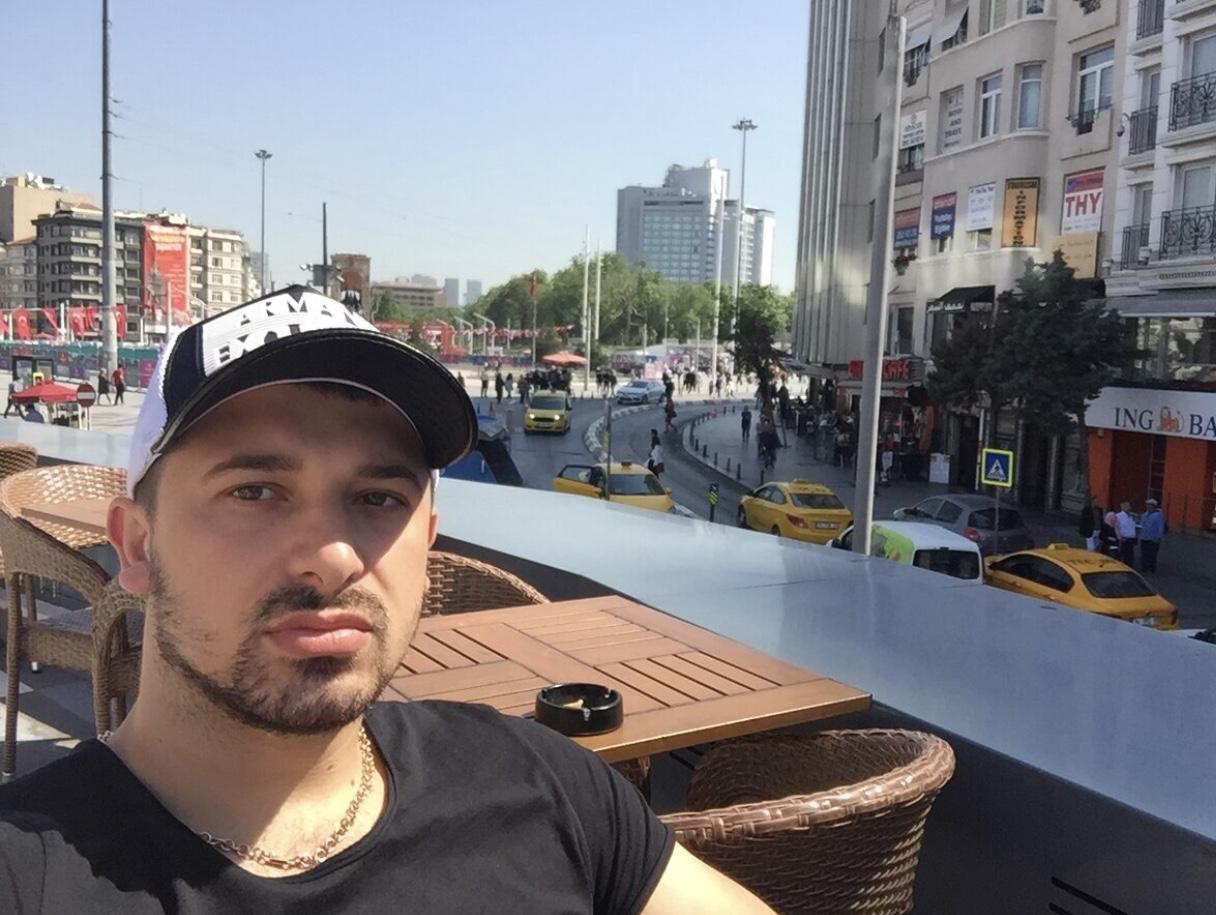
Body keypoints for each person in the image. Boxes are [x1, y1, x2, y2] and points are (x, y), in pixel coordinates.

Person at [0, 287, 770, 914]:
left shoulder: (545, 784)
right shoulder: (29, 869)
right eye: (255, 490)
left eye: (377, 497)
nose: (334, 556)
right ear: (137, 544)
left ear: (426, 541)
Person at [1139, 498, 1167, 574]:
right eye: (1147, 505)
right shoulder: (1144, 515)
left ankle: (1152, 568)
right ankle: (1144, 568)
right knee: (1144, 554)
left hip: (1153, 539)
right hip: (1144, 537)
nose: (1148, 506)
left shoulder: (1158, 515)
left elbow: (1160, 528)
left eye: (1149, 505)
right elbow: (1141, 524)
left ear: (1153, 506)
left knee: (1152, 554)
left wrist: (1158, 537)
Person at [1115, 501, 1139, 568]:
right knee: (1122, 555)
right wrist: (1119, 537)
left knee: (1130, 555)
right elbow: (1116, 527)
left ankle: (1129, 567)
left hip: (1131, 538)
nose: (1129, 508)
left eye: (1129, 506)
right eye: (1127, 506)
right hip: (1123, 539)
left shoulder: (1131, 516)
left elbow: (1134, 525)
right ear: (1122, 507)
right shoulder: (1118, 516)